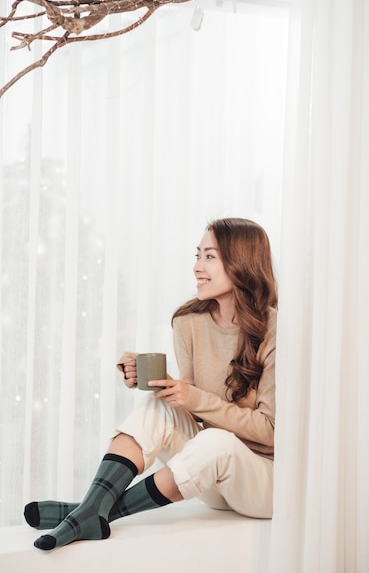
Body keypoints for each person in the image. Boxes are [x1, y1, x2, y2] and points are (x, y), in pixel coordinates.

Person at [24, 217, 277, 551]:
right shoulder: (189, 322)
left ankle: (90, 511)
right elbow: (193, 409)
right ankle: (91, 511)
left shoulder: (275, 329)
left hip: (259, 483)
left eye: (209, 257)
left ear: (242, 262)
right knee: (161, 407)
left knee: (217, 441)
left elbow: (271, 430)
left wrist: (194, 397)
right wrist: (163, 385)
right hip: (209, 478)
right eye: (197, 255)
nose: (197, 267)